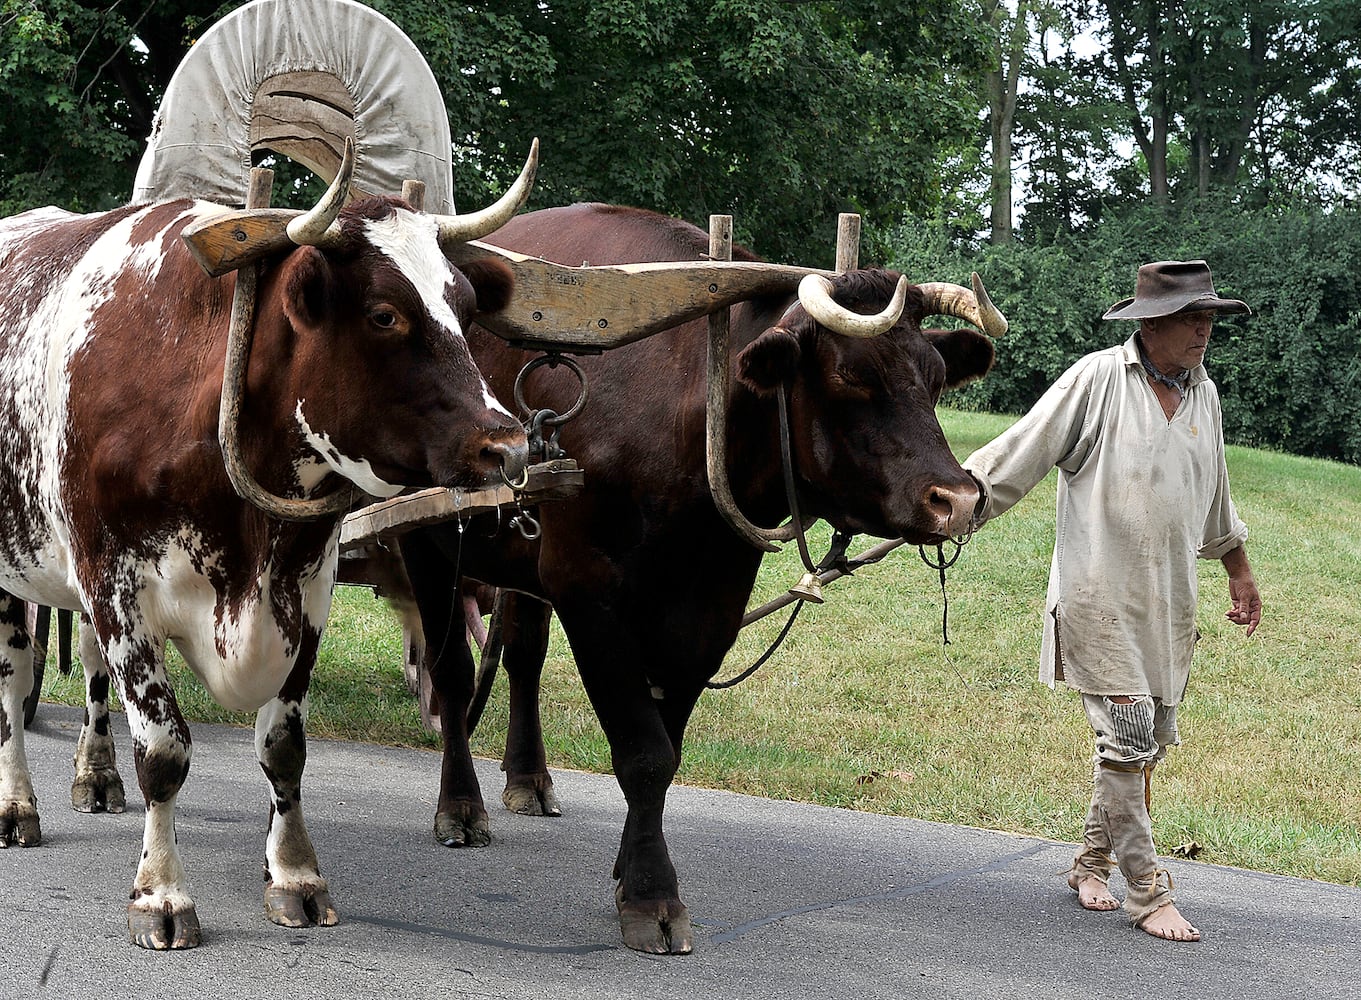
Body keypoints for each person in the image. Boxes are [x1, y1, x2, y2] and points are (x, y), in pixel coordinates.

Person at [963, 259, 1263, 942]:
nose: (1204, 328)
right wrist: (956, 501)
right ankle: (1149, 893)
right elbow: (1021, 452)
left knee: (1142, 745)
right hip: (1096, 596)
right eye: (1192, 316)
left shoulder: (1201, 392)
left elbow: (1214, 495)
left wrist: (1237, 570)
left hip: (1167, 604)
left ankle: (1090, 863)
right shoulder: (1097, 378)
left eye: (1209, 315)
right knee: (1126, 734)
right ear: (1150, 323)